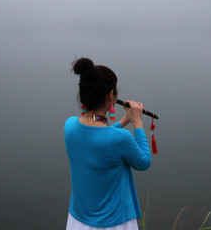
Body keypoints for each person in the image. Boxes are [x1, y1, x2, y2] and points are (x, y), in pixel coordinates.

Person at [64, 57, 151, 230]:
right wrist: (137, 123)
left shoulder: (69, 126)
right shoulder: (120, 138)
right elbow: (144, 161)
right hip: (115, 223)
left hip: (78, 220)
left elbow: (101, 140)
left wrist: (123, 122)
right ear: (111, 96)